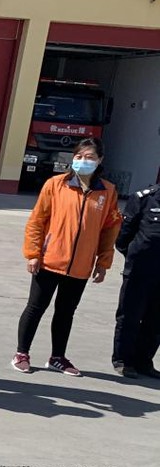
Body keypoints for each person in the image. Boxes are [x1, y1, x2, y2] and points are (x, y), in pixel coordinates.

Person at [11, 138, 121, 376]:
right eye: (80, 156)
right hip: (49, 260)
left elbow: (110, 229)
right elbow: (37, 221)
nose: (84, 161)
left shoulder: (108, 191)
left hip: (81, 265)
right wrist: (33, 253)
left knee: (65, 312)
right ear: (73, 158)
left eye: (90, 157)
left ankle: (57, 357)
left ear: (100, 160)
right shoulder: (56, 184)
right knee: (35, 307)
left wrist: (103, 262)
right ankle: (22, 353)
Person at [111, 182, 160, 378]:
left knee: (156, 320)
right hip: (140, 269)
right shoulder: (144, 198)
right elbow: (124, 236)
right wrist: (134, 256)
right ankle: (123, 360)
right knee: (130, 315)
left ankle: (144, 362)